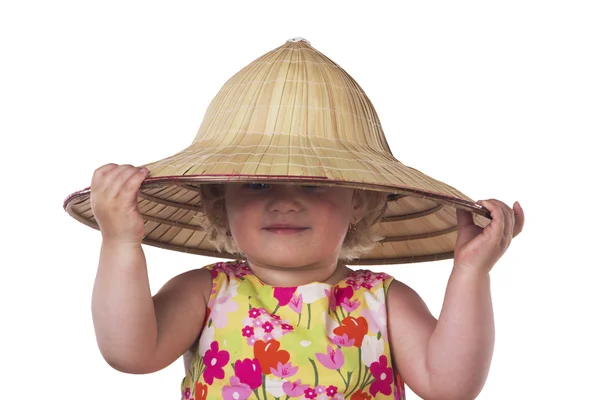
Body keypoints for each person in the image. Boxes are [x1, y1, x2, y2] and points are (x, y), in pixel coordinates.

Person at [80, 38, 525, 400]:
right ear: (220, 198)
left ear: (359, 201)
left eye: (314, 185)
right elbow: (129, 353)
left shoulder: (383, 300)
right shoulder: (207, 292)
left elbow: (451, 386)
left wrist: (471, 272)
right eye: (257, 185)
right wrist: (119, 243)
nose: (285, 202)